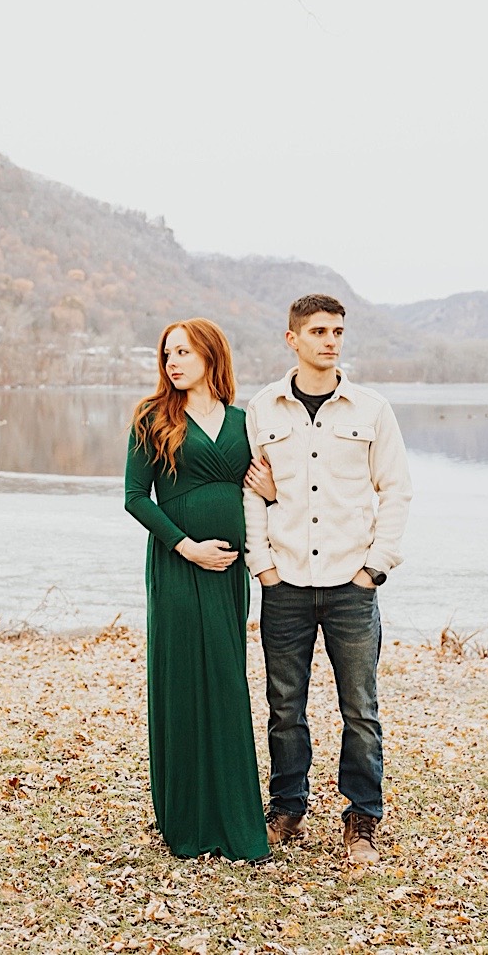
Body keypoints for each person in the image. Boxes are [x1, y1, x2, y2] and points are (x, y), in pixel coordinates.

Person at [242, 293, 412, 865]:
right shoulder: (263, 409)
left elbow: (396, 490)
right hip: (284, 580)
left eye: (337, 331)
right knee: (284, 704)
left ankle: (362, 817)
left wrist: (375, 567)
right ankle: (287, 806)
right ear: (292, 339)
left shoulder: (371, 409)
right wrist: (261, 564)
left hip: (350, 582)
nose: (330, 340)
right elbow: (251, 490)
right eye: (318, 331)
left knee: (360, 707)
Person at [123, 317, 270, 861]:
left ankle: (235, 819)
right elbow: (136, 497)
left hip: (230, 572)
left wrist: (272, 491)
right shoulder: (152, 417)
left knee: (227, 681)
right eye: (167, 355)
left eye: (183, 352)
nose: (173, 363)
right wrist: (186, 546)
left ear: (211, 355)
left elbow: (261, 488)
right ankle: (185, 819)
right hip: (179, 567)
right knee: (183, 678)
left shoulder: (243, 421)